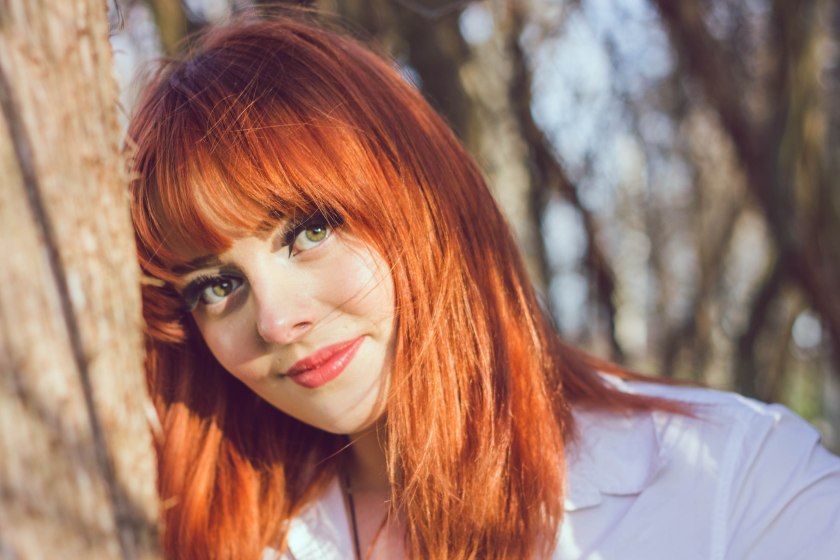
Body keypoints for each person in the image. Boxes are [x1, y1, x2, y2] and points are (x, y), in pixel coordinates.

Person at [127, 13, 840, 560]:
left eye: (309, 231)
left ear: (425, 206)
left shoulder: (737, 482)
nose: (276, 320)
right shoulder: (193, 527)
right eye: (216, 285)